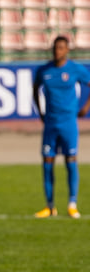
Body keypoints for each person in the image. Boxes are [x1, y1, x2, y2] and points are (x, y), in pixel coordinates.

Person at [33, 36, 90, 219]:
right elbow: (35, 89)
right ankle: (50, 206)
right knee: (47, 163)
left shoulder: (75, 69)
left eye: (60, 48)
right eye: (55, 48)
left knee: (70, 160)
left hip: (68, 123)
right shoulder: (44, 70)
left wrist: (85, 108)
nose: (57, 51)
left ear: (67, 50)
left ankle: (72, 204)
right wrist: (41, 112)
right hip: (50, 124)